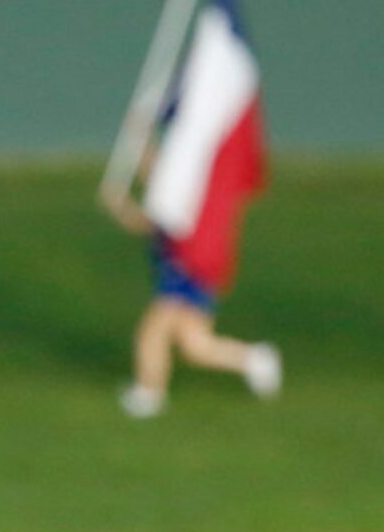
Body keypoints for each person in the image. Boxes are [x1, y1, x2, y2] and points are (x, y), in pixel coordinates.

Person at [101, 170, 281, 419]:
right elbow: (153, 200)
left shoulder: (184, 196)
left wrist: (120, 205)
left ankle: (149, 394)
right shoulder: (174, 191)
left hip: (186, 272)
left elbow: (146, 219)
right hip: (184, 272)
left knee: (153, 332)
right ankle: (254, 359)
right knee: (195, 345)